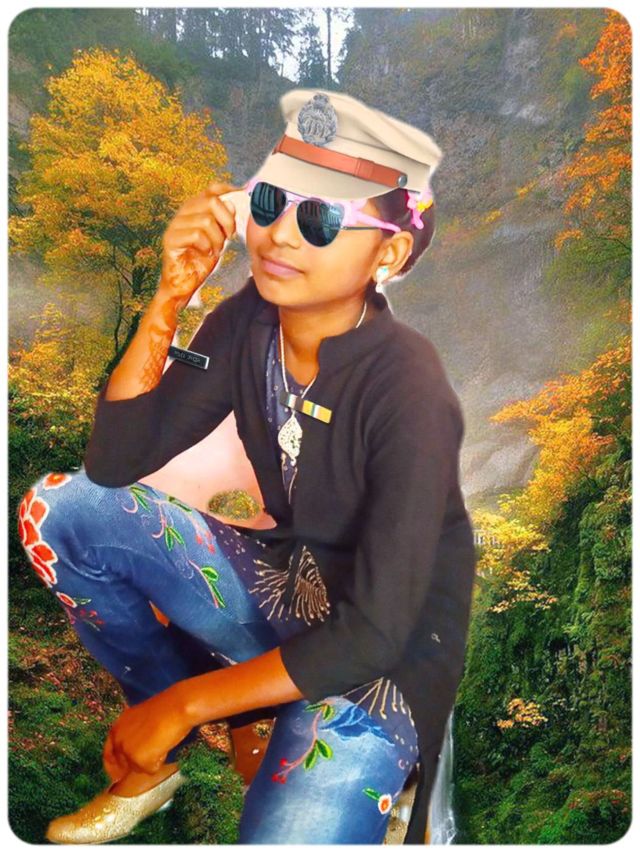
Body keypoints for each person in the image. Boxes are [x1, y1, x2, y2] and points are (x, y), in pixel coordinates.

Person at [17, 88, 477, 844]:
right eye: (269, 202)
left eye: (320, 218)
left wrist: (189, 702)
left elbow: (374, 631)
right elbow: (115, 460)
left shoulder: (410, 388)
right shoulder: (250, 322)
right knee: (61, 512)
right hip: (286, 587)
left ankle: (358, 761)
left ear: (389, 254)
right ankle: (177, 748)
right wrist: (171, 294)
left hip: (381, 662)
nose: (279, 235)